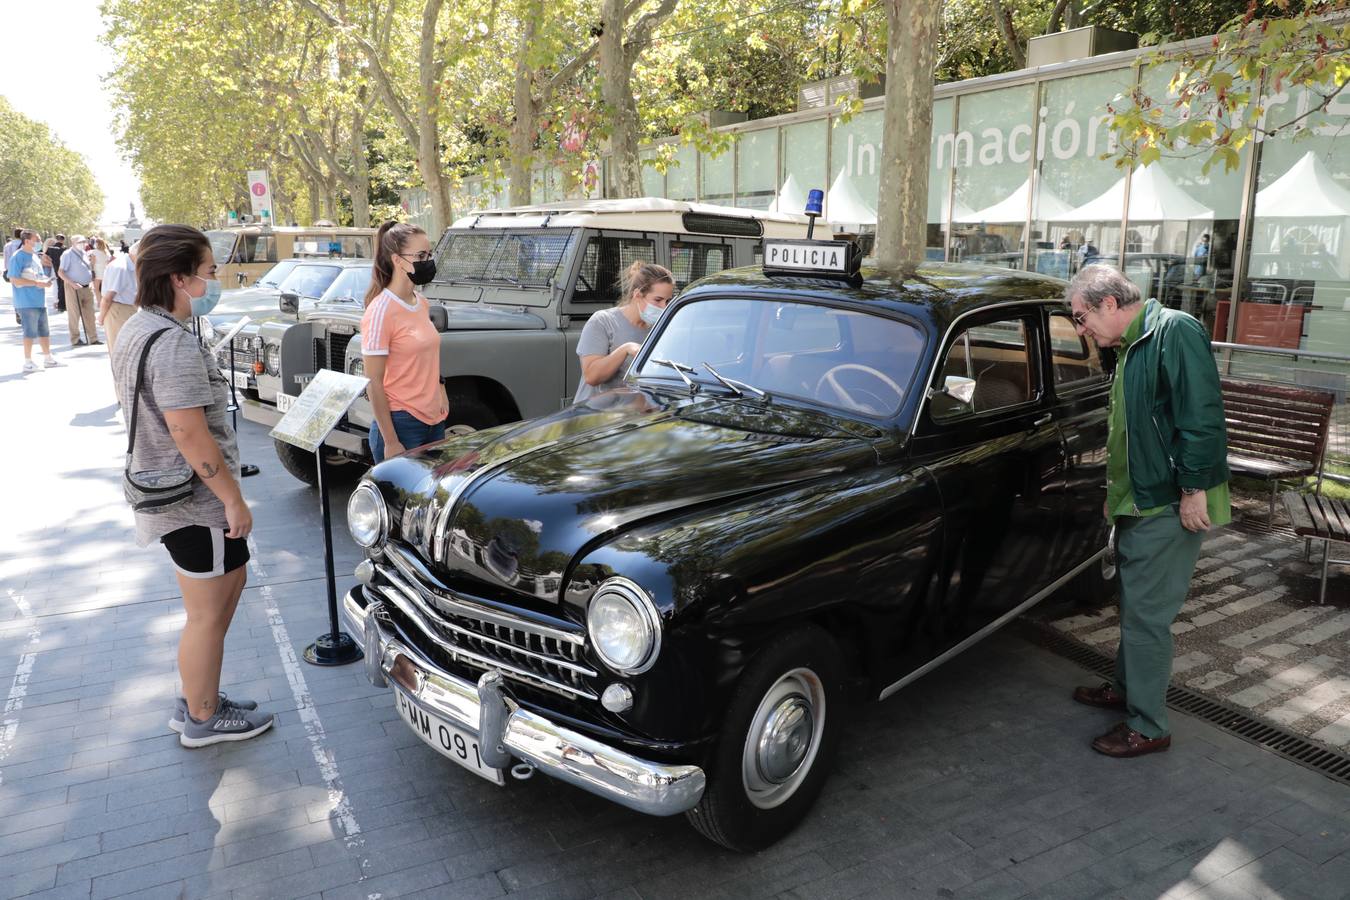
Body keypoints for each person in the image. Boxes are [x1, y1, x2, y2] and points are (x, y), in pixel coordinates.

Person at [109, 224, 272, 748]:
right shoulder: (171, 344)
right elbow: (187, 430)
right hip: (195, 502)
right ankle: (203, 716)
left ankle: (198, 697)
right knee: (206, 614)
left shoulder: (139, 327)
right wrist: (231, 500)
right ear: (180, 279)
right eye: (208, 272)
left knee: (225, 589)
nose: (215, 280)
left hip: (173, 492)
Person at [1066, 265, 1230, 758]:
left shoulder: (1174, 330)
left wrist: (1194, 488)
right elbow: (1128, 426)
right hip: (1143, 496)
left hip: (1170, 499)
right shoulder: (1130, 344)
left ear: (1109, 304)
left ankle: (1149, 725)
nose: (1080, 329)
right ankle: (1125, 688)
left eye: (1081, 317)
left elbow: (1201, 415)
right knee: (1135, 605)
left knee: (1147, 618)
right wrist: (1116, 492)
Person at [360, 221, 448, 463]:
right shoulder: (381, 310)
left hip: (434, 421)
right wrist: (390, 441)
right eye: (421, 255)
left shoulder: (421, 302)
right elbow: (374, 382)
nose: (428, 261)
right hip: (402, 425)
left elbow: (428, 353)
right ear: (398, 260)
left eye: (429, 254)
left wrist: (441, 390)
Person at [573, 260, 674, 404]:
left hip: (631, 418)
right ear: (638, 295)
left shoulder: (660, 329)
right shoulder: (603, 321)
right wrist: (626, 349)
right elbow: (592, 376)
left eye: (668, 301)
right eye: (658, 300)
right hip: (595, 417)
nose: (664, 307)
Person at [7, 231, 62, 372]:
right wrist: (37, 283)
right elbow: (13, 279)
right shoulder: (18, 257)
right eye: (36, 239)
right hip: (26, 302)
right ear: (26, 241)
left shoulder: (35, 257)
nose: (39, 241)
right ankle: (28, 362)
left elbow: (40, 275)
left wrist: (46, 281)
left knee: (44, 331)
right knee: (29, 332)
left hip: (39, 301)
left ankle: (48, 358)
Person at [59, 235, 100, 345]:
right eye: (80, 241)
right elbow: (61, 272)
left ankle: (93, 338)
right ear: (73, 242)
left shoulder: (84, 253)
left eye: (84, 241)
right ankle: (75, 339)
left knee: (90, 314)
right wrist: (72, 283)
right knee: (74, 314)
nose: (83, 243)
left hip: (87, 287)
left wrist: (92, 264)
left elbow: (87, 269)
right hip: (73, 288)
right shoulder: (67, 254)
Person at [100, 241, 138, 354]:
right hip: (118, 309)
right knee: (120, 350)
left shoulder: (130, 264)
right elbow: (108, 298)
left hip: (129, 308)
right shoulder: (120, 267)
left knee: (130, 349)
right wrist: (101, 317)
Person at [46, 234, 67, 313]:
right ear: (63, 240)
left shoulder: (50, 248)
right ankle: (63, 304)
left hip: (54, 269)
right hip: (64, 269)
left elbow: (45, 257)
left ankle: (59, 304)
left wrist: (51, 263)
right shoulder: (65, 249)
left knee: (57, 286)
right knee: (63, 286)